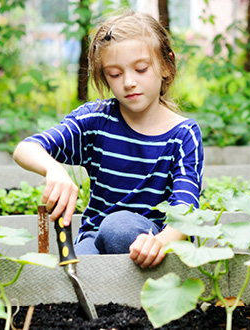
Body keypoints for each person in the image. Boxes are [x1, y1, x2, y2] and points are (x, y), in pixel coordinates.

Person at [13, 10, 203, 269]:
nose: (128, 82)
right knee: (81, 266)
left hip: (159, 244)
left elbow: (186, 205)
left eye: (140, 69)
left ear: (166, 65)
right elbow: (26, 148)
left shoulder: (183, 134)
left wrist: (162, 241)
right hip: (95, 238)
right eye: (114, 74)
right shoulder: (96, 121)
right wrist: (53, 169)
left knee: (118, 227)